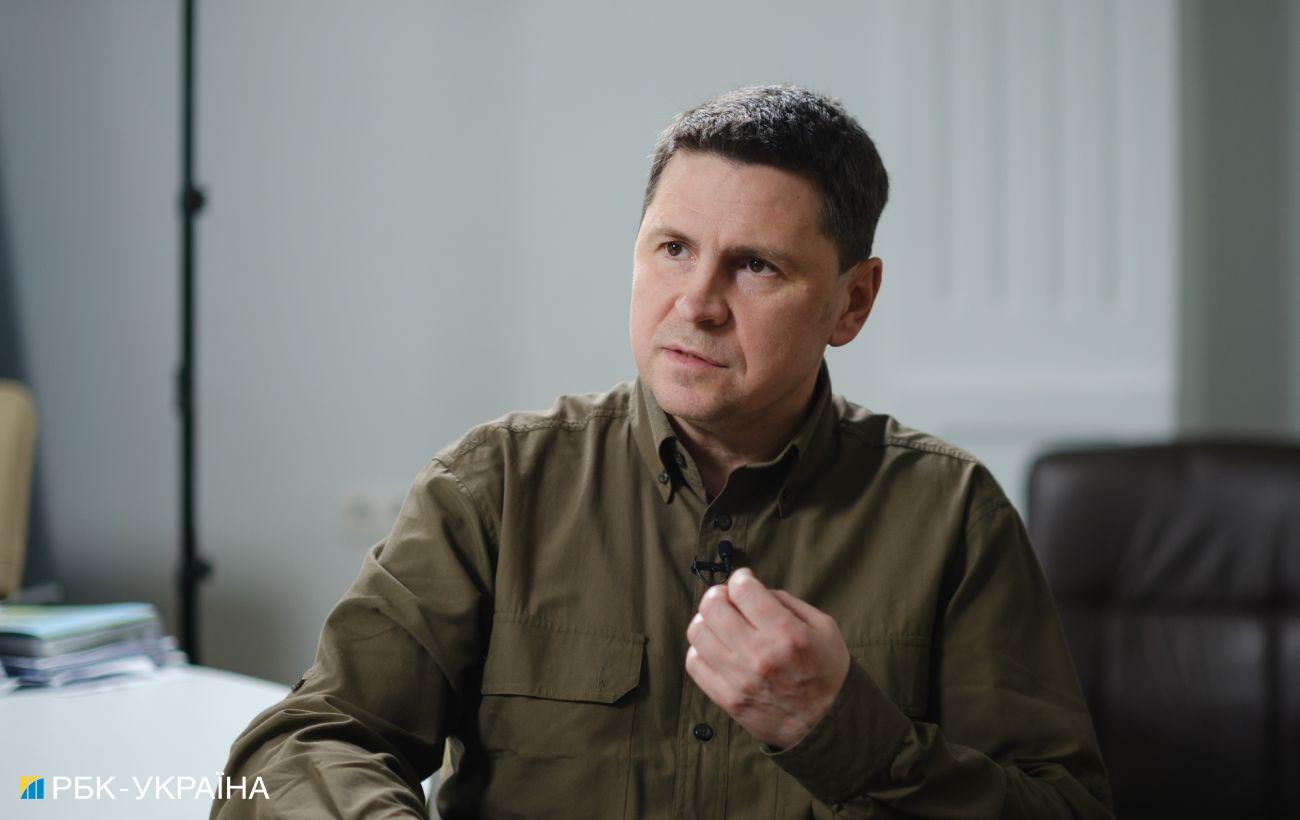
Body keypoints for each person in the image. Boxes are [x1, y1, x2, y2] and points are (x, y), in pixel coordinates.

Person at [212, 84, 1113, 819]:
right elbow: (305, 745)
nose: (697, 303)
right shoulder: (495, 487)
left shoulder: (951, 517)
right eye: (674, 249)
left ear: (853, 302)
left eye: (755, 266)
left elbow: (1065, 808)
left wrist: (842, 732)